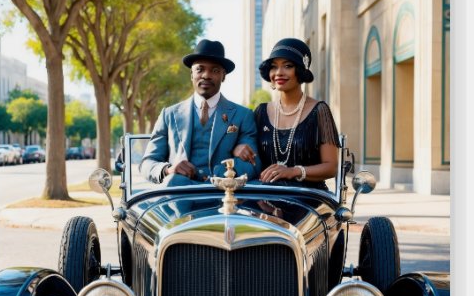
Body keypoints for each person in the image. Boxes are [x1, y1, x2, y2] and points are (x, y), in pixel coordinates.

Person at [140, 39, 262, 186]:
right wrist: (168, 169)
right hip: (179, 197)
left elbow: (253, 164)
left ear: (224, 76)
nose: (206, 75)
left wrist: (219, 175)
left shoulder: (243, 115)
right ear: (191, 74)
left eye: (215, 70)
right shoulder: (169, 115)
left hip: (225, 198)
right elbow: (147, 164)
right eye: (200, 69)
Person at [234, 37, 340, 191]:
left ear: (300, 70)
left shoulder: (319, 110)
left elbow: (331, 167)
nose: (278, 73)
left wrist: (293, 171)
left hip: (308, 199)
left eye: (287, 66)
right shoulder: (260, 112)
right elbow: (246, 150)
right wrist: (238, 148)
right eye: (274, 67)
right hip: (264, 198)